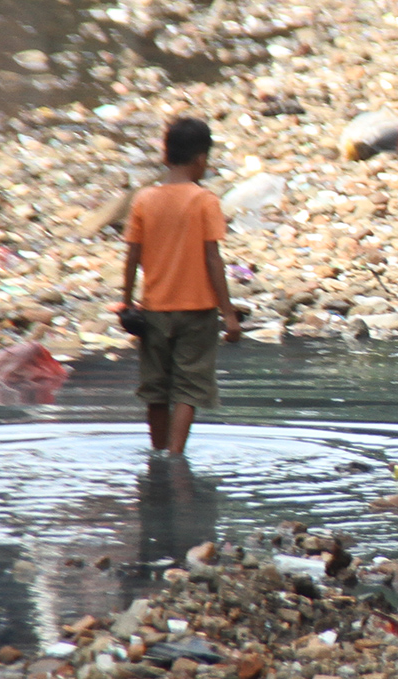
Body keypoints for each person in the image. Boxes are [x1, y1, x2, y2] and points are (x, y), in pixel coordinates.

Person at [121, 117, 241, 455]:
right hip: (198, 312)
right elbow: (213, 260)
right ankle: (175, 455)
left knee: (155, 388)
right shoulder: (205, 201)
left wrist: (126, 302)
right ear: (202, 158)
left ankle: (158, 452)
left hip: (154, 310)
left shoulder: (143, 200)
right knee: (189, 386)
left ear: (165, 155)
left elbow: (132, 256)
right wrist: (228, 314)